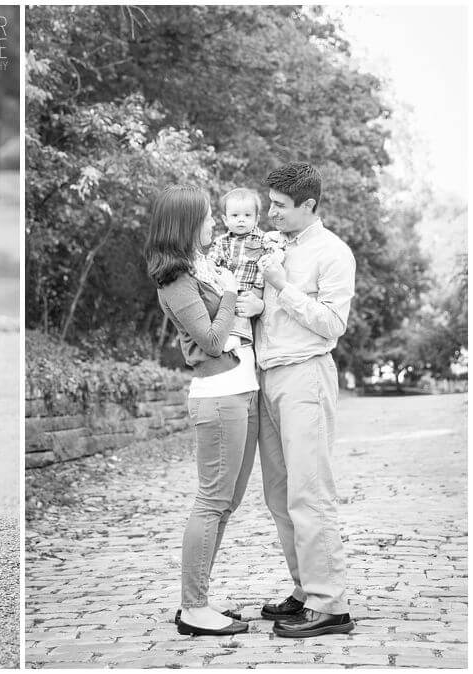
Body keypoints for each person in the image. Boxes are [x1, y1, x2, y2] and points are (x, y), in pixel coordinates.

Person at [246, 161, 357, 638]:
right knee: (279, 497)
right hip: (268, 377)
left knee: (309, 494)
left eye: (281, 206)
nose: (270, 212)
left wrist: (281, 286)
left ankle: (331, 605)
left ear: (310, 205)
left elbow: (333, 324)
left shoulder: (333, 253)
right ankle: (304, 590)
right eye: (270, 203)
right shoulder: (274, 246)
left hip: (305, 377)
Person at [144, 184, 257, 637]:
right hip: (219, 398)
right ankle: (193, 608)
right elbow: (211, 341)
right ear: (188, 223)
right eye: (209, 216)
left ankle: (201, 600)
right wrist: (230, 295)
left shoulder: (200, 266)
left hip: (242, 391)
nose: (215, 223)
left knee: (224, 505)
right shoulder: (176, 280)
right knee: (212, 501)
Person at [207, 187, 284, 343]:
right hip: (225, 288)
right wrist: (212, 271)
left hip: (249, 289)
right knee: (218, 310)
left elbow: (272, 255)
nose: (241, 219)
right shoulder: (221, 241)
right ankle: (218, 337)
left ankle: (237, 339)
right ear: (225, 220)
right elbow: (211, 260)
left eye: (247, 215)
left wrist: (275, 256)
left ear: (256, 219)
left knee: (242, 312)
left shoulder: (262, 240)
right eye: (235, 215)